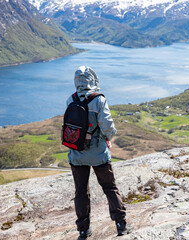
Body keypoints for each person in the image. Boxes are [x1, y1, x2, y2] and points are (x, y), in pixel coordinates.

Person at [66, 66, 128, 239]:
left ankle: (84, 231)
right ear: (93, 79)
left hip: (77, 154)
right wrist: (108, 138)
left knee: (81, 192)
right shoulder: (99, 100)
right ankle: (120, 224)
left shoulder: (71, 99)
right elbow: (108, 126)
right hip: (99, 154)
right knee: (109, 187)